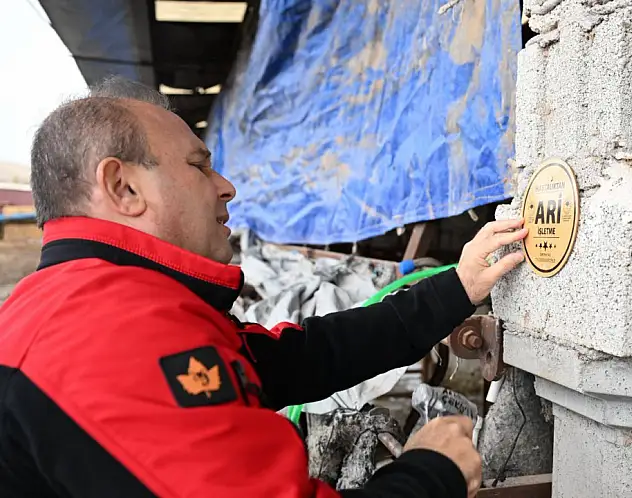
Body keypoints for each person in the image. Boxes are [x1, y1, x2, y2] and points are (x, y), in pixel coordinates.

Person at [0, 77, 527, 498]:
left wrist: (457, 286)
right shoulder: (112, 338)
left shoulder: (90, 302)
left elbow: (304, 356)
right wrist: (433, 473)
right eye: (198, 165)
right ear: (124, 187)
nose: (226, 184)